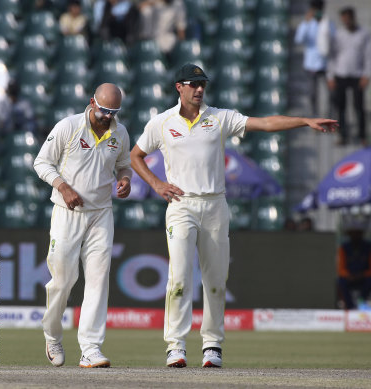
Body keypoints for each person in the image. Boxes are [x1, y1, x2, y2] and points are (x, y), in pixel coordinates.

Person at [130, 63, 337, 368]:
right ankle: (176, 346)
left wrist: (304, 121)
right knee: (179, 278)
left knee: (215, 279)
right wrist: (156, 183)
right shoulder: (161, 123)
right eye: (193, 84)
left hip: (215, 205)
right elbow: (136, 156)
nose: (199, 89)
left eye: (203, 84)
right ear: (179, 87)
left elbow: (266, 124)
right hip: (181, 206)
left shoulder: (219, 117)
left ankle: (212, 345)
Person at [33, 83, 132, 368]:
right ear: (92, 102)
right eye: (103, 111)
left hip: (101, 214)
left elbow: (124, 163)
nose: (107, 117)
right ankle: (52, 336)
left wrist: (125, 179)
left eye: (114, 112)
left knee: (99, 281)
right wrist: (63, 188)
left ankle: (90, 348)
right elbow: (42, 163)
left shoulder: (119, 131)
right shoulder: (69, 126)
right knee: (63, 281)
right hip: (68, 212)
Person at [327, 7, 371, 145]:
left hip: (357, 75)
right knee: (341, 108)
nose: (346, 22)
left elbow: (368, 56)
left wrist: (367, 74)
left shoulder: (363, 34)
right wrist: (330, 76)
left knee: (359, 107)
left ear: (353, 18)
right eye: (344, 20)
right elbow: (332, 56)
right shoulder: (338, 35)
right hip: (341, 74)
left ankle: (362, 136)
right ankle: (343, 135)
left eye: (348, 19)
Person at [294, 0, 334, 116]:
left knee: (330, 94)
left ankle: (330, 116)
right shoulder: (307, 24)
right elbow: (298, 40)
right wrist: (306, 22)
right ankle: (314, 116)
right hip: (311, 64)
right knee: (312, 94)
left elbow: (333, 40)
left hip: (326, 64)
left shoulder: (328, 24)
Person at [337, 225, 371, 309]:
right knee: (341, 281)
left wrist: (362, 274)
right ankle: (350, 306)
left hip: (364, 276)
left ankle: (361, 302)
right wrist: (348, 275)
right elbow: (341, 268)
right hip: (350, 276)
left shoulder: (369, 247)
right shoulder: (344, 247)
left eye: (358, 233)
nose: (355, 236)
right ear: (350, 235)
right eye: (353, 233)